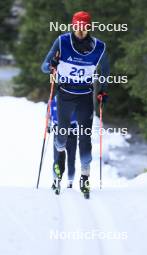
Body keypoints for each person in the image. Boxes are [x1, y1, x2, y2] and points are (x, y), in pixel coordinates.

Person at [41, 11, 109, 198]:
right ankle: (59, 162)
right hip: (65, 95)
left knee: (85, 138)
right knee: (62, 136)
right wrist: (52, 64)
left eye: (84, 26)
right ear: (73, 26)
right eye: (77, 26)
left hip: (85, 96)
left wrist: (103, 90)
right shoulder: (62, 41)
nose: (80, 30)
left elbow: (105, 70)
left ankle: (85, 177)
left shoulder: (99, 47)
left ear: (89, 27)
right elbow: (44, 66)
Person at [49, 95, 77, 193]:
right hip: (64, 130)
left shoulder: (75, 100)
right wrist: (48, 125)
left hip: (69, 130)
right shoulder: (52, 102)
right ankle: (59, 180)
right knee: (65, 157)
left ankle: (64, 181)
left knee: (65, 157)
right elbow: (48, 115)